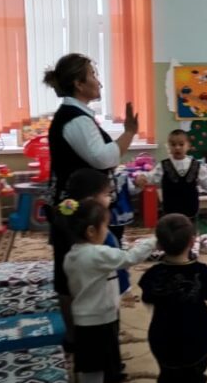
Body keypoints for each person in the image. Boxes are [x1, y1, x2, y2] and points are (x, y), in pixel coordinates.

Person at [44, 53, 137, 345]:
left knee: (85, 264)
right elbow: (103, 158)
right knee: (72, 268)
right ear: (78, 83)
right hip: (75, 209)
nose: (99, 82)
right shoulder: (75, 120)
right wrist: (129, 133)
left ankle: (88, 331)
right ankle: (79, 337)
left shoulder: (79, 115)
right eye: (93, 75)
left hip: (81, 206)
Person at [61, 199, 155, 383]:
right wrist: (153, 240)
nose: (107, 231)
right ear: (91, 231)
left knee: (94, 362)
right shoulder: (95, 254)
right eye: (105, 226)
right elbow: (129, 258)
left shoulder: (72, 254)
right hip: (97, 318)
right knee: (95, 364)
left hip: (86, 317)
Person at [140, 214, 207, 383]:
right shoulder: (202, 272)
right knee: (195, 377)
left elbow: (147, 297)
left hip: (164, 337)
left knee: (171, 378)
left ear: (159, 244)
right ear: (192, 241)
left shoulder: (153, 274)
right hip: (199, 336)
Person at [63, 168, 130, 383]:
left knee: (111, 330)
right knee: (107, 333)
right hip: (104, 294)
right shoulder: (95, 237)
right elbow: (120, 258)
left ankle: (112, 365)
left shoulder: (90, 227)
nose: (110, 198)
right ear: (92, 199)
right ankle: (111, 370)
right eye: (107, 194)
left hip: (109, 288)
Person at [138, 129, 207, 224]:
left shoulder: (196, 165)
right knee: (170, 231)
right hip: (170, 210)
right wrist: (143, 177)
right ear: (168, 146)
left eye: (181, 144)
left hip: (190, 209)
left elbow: (206, 180)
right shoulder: (164, 165)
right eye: (173, 145)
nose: (177, 147)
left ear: (188, 146)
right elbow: (152, 176)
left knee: (189, 232)